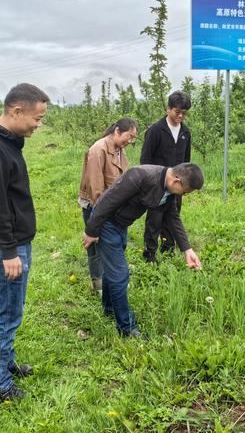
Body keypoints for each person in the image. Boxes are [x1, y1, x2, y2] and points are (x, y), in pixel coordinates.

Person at [0, 83, 49, 403]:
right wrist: (9, 251)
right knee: (5, 314)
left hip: (13, 243)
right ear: (16, 111)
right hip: (6, 248)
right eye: (37, 118)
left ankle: (5, 362)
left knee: (12, 310)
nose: (38, 125)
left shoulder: (5, 143)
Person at [82, 163, 204, 337]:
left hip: (121, 225)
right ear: (177, 180)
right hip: (106, 223)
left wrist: (187, 250)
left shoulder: (168, 190)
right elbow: (106, 201)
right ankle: (127, 328)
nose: (183, 195)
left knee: (112, 270)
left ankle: (109, 308)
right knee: (120, 274)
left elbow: (172, 217)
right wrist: (91, 230)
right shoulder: (140, 176)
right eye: (185, 191)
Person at [78, 118, 138, 294]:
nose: (130, 141)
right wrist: (100, 217)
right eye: (129, 136)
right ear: (118, 131)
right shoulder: (98, 150)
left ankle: (113, 279)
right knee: (95, 244)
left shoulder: (120, 150)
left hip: (112, 206)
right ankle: (99, 283)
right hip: (96, 206)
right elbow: (96, 188)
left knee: (114, 243)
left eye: (133, 138)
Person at [139, 91, 192, 262]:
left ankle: (168, 249)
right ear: (168, 108)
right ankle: (150, 254)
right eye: (177, 112)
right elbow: (145, 160)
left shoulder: (185, 132)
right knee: (155, 219)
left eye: (184, 113)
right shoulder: (155, 130)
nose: (180, 116)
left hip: (177, 184)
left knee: (173, 215)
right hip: (157, 183)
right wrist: (148, 184)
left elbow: (186, 161)